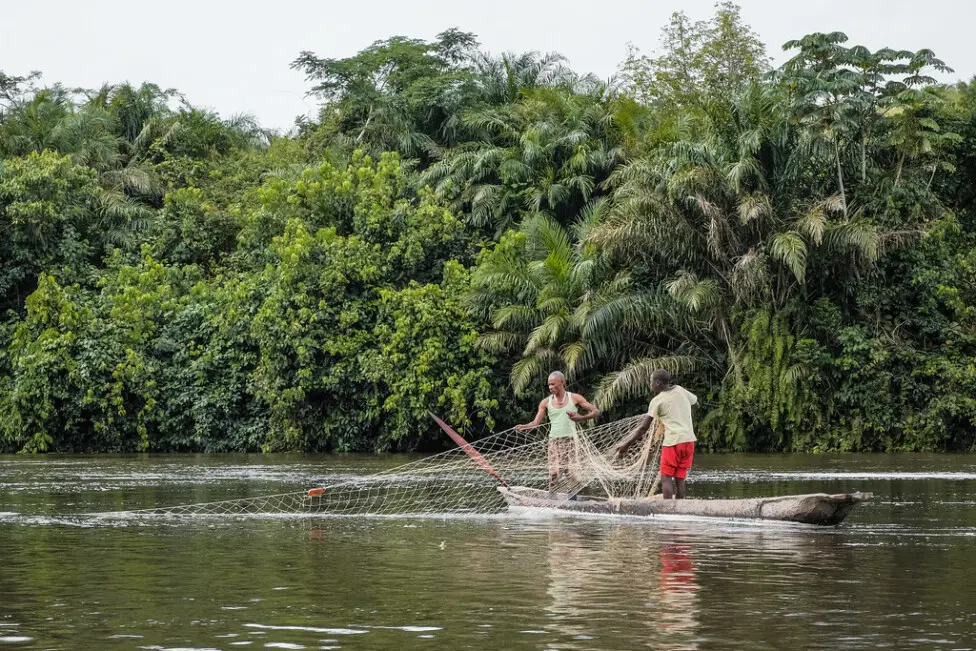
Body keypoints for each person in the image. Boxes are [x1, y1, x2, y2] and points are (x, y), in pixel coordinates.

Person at [615, 369, 698, 499]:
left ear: (658, 383)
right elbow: (695, 402)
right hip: (688, 440)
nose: (650, 384)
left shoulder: (657, 401)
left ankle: (667, 510)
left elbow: (643, 428)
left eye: (651, 381)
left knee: (666, 478)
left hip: (673, 442)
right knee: (680, 478)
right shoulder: (680, 390)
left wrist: (626, 444)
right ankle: (680, 508)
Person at [515, 371, 600, 491]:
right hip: (554, 442)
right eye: (549, 385)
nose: (550, 387)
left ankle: (573, 501)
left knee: (572, 473)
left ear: (562, 383)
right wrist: (523, 427)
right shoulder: (545, 403)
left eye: (553, 384)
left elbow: (596, 411)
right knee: (554, 473)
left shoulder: (574, 398)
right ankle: (553, 499)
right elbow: (535, 424)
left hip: (571, 441)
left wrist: (580, 418)